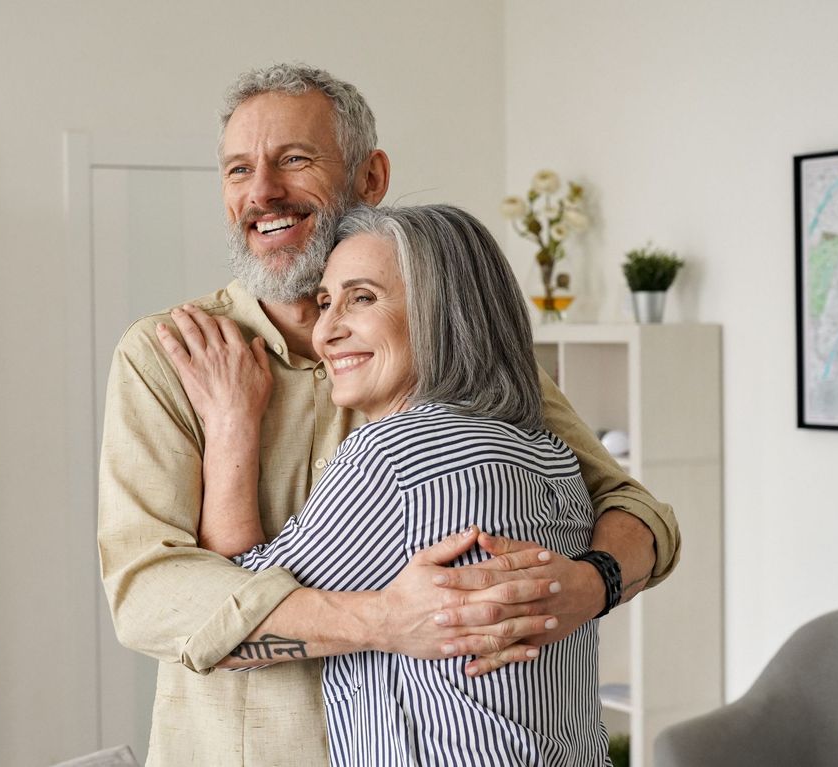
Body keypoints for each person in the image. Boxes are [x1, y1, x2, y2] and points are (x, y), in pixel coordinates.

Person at [98, 63, 679, 766]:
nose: (262, 192)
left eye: (294, 159)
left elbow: (636, 511)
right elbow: (149, 594)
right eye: (237, 170)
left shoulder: (459, 359)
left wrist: (588, 585)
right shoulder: (167, 358)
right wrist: (384, 620)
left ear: (370, 178)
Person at [167, 204, 611, 766]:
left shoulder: (395, 455)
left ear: (443, 314)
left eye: (363, 298)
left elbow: (231, 620)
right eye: (325, 301)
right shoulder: (552, 456)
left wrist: (232, 423)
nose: (326, 331)